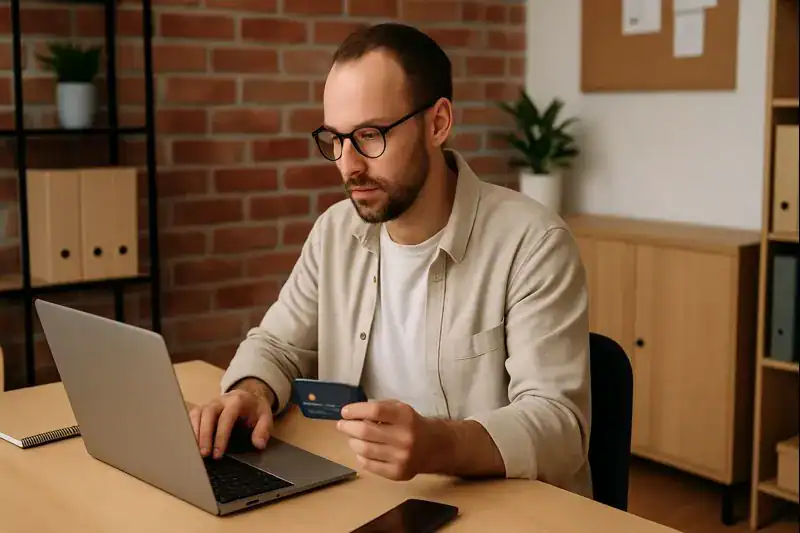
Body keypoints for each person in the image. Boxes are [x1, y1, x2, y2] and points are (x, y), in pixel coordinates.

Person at [188, 22, 592, 498]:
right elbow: (278, 345)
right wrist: (251, 393)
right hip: (363, 491)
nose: (348, 165)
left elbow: (560, 425)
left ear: (438, 124)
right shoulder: (336, 232)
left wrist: (438, 444)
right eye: (334, 139)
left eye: (369, 135)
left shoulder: (533, 242)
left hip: (494, 505)